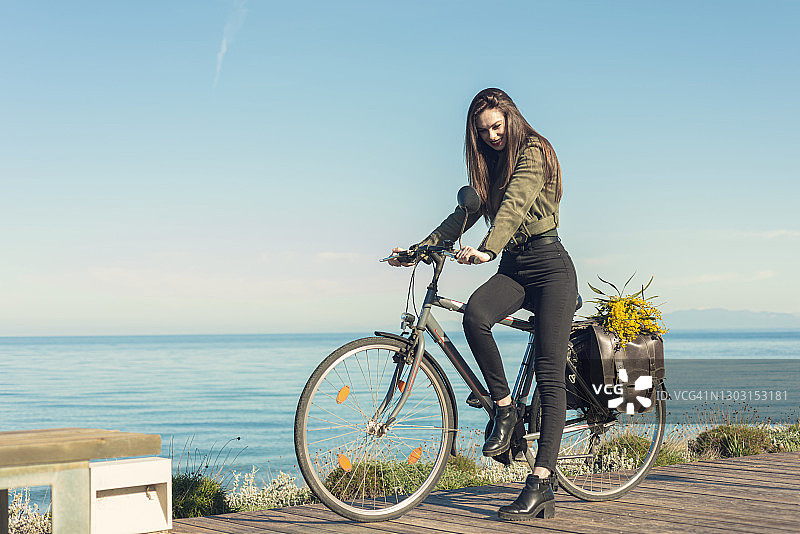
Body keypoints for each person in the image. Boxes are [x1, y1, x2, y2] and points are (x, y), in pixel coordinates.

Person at [388, 88, 578, 520]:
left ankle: (541, 482)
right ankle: (506, 410)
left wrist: (487, 249)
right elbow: (465, 213)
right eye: (484, 131)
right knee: (476, 315)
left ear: (511, 117)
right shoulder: (489, 166)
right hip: (514, 266)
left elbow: (515, 204)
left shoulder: (535, 151)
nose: (492, 136)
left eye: (497, 126)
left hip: (550, 265)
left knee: (550, 374)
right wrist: (421, 248)